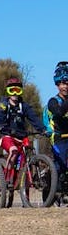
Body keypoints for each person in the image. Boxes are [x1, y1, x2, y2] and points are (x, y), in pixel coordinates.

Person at [0, 76, 45, 187]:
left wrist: (42, 129)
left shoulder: (24, 106)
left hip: (21, 138)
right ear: (8, 92)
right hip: (8, 137)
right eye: (11, 90)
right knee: (13, 151)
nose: (15, 93)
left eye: (17, 90)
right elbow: (0, 121)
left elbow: (34, 118)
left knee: (25, 163)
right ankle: (6, 179)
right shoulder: (4, 105)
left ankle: (25, 197)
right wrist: (5, 129)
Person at [45, 62, 68, 201]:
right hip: (59, 137)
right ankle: (55, 190)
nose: (65, 86)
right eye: (62, 83)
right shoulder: (53, 101)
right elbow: (59, 113)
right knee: (61, 164)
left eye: (67, 83)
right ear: (57, 85)